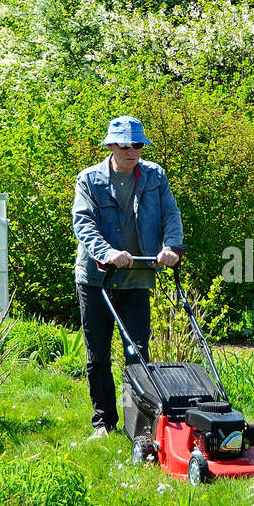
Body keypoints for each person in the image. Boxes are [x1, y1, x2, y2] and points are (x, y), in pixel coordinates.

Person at [72, 115, 185, 438]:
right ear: (111, 145)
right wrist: (107, 253)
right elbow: (83, 224)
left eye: (137, 144)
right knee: (98, 355)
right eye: (125, 144)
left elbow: (170, 214)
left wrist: (171, 247)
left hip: (137, 277)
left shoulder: (154, 176)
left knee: (137, 354)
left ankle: (138, 425)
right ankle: (103, 423)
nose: (132, 150)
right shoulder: (89, 180)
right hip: (97, 279)